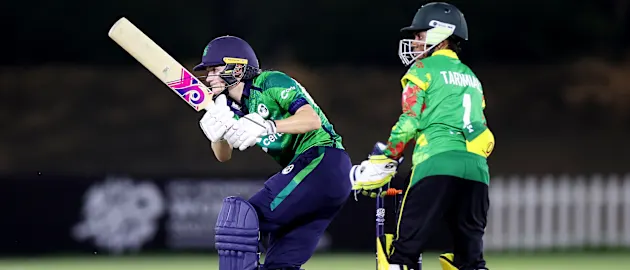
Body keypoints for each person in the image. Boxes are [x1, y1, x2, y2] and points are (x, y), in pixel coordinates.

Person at [349, 2, 495, 270]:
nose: (415, 42)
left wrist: (388, 156)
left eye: (420, 35)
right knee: (471, 260)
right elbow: (485, 135)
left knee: (404, 253)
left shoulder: (422, 70)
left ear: (441, 35)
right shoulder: (472, 78)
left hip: (435, 162)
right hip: (476, 170)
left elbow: (410, 121)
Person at [194, 35, 351, 270]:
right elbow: (223, 156)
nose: (209, 77)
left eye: (215, 68)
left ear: (237, 67)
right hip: (320, 179)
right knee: (280, 266)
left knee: (240, 221)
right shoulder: (227, 107)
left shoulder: (270, 82)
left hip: (322, 160)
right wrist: (218, 135)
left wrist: (268, 126)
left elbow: (311, 120)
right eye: (207, 70)